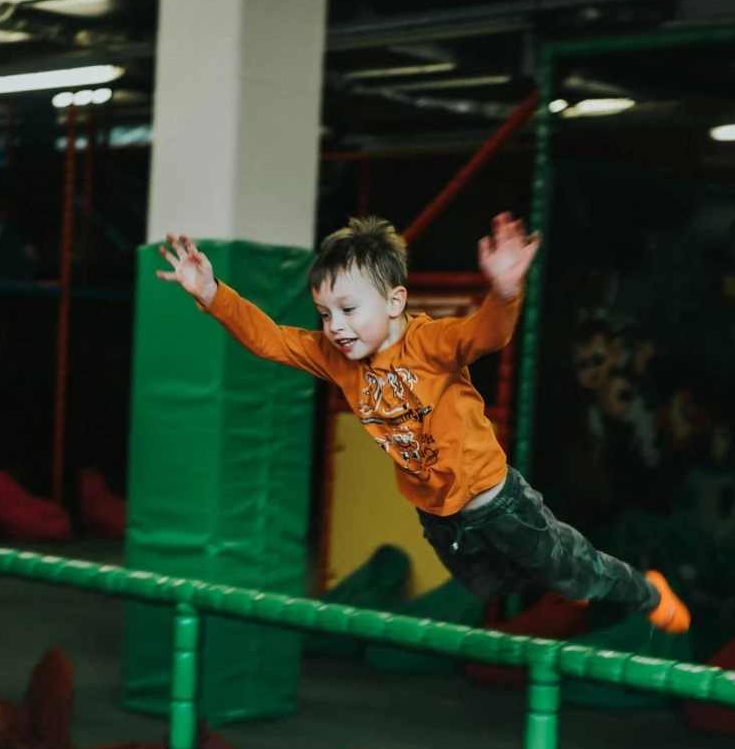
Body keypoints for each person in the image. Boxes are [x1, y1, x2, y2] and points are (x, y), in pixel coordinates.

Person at [157, 214, 689, 629]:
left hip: (496, 501)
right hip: (439, 518)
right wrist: (211, 293)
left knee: (570, 572)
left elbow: (486, 335)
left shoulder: (428, 342)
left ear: (395, 301)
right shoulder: (334, 354)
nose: (336, 327)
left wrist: (504, 293)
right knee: (494, 587)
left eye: (348, 309)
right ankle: (562, 579)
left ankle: (647, 592)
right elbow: (271, 339)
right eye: (325, 314)